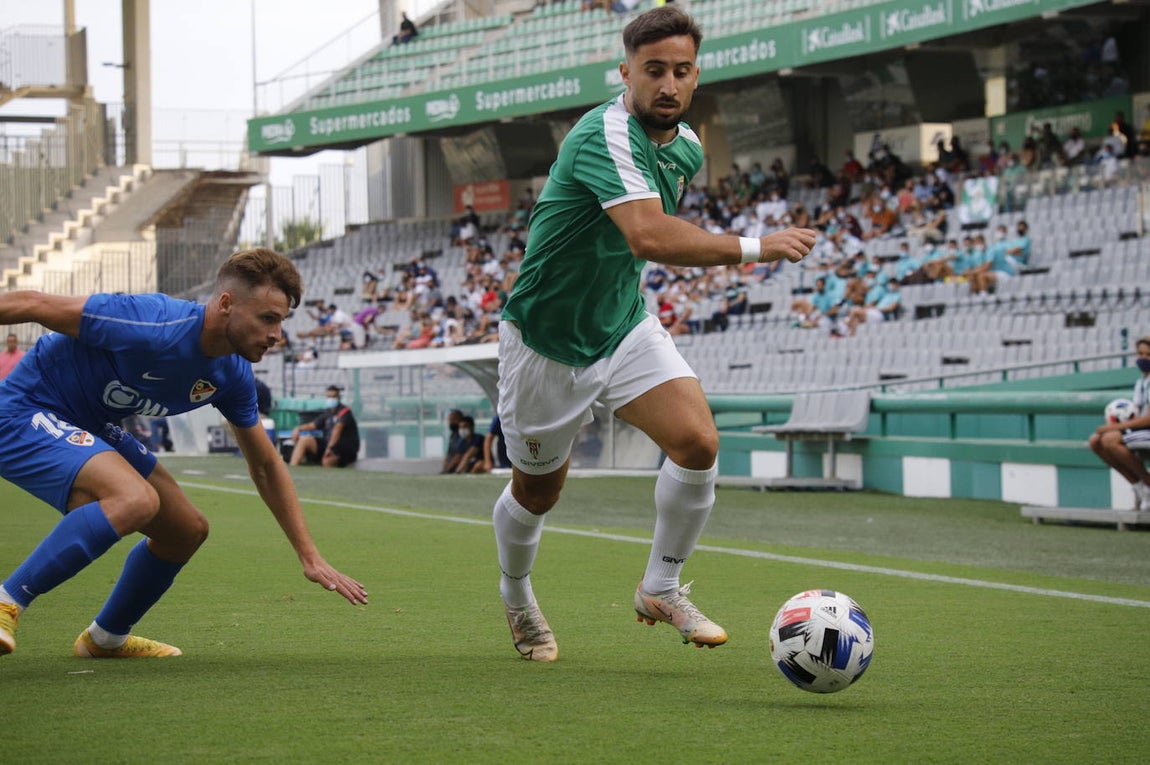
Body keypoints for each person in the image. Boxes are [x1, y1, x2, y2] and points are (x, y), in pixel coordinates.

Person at [489, 5, 815, 662]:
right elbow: (647, 235)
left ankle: (660, 587)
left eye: (682, 71)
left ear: (696, 76)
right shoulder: (601, 134)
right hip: (546, 344)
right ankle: (516, 593)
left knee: (697, 442)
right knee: (538, 492)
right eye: (654, 70)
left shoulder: (686, 146)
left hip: (622, 325)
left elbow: (634, 245)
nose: (669, 85)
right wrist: (757, 246)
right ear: (626, 73)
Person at [0, 248, 367, 660]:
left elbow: (266, 465)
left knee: (185, 530)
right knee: (134, 499)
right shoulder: (149, 321)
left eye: (281, 321)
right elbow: (33, 303)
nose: (276, 334)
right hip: (23, 410)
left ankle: (105, 638)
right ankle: (7, 601)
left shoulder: (232, 374)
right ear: (226, 303)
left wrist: (310, 556)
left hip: (92, 424)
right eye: (268, 318)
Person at [1088, 336, 1150, 510]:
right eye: (1140, 354)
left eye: (1148, 355)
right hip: (1143, 429)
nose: (1143, 358)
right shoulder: (1141, 382)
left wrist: (1115, 427)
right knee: (1095, 441)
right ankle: (1139, 485)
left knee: (1110, 439)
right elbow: (1138, 413)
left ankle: (1147, 481)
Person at [288, 385, 360, 468]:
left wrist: (329, 448)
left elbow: (337, 430)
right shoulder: (327, 412)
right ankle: (293, 467)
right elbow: (313, 425)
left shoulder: (344, 412)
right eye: (329, 397)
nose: (331, 399)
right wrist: (298, 428)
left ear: (339, 398)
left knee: (327, 462)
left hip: (344, 448)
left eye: (334, 397)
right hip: (328, 444)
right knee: (304, 440)